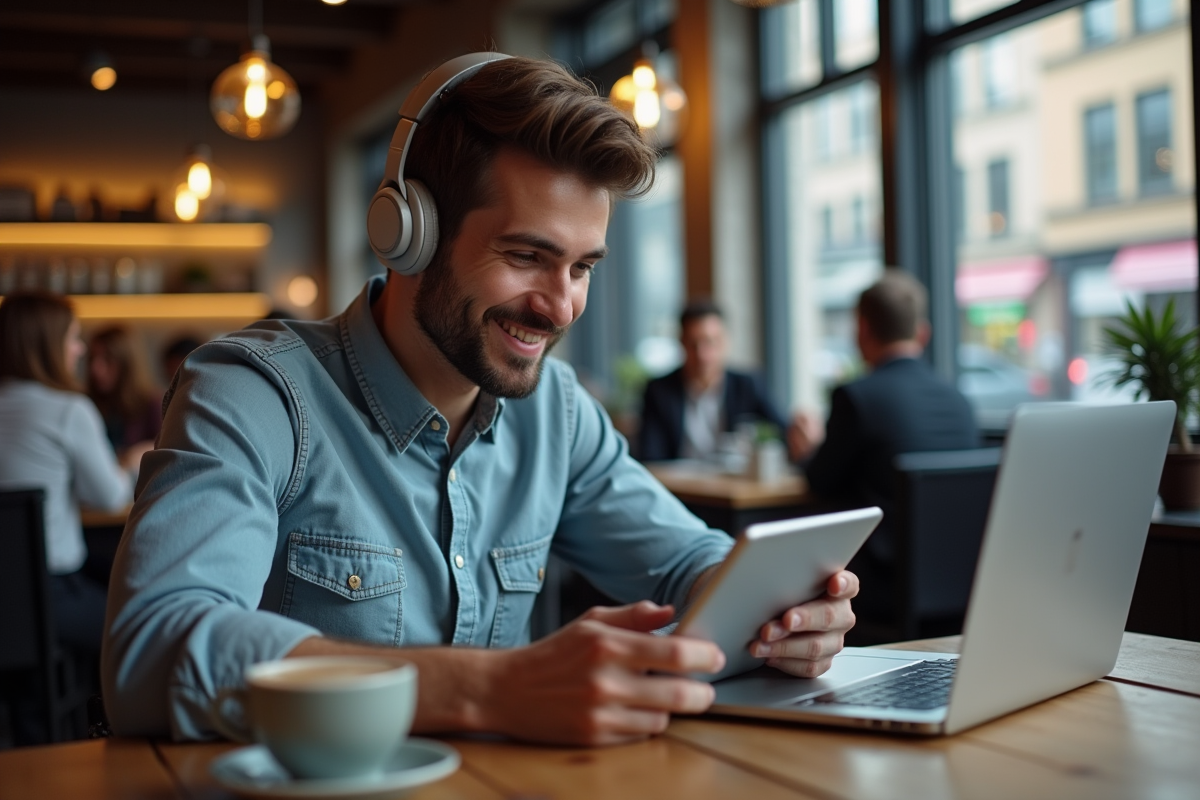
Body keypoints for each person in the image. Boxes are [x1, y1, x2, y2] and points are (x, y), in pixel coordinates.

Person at [102, 54, 859, 747]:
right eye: (527, 256)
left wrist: (784, 615)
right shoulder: (255, 392)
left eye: (583, 267)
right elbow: (154, 649)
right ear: (409, 234)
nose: (560, 308)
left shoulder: (556, 411)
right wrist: (491, 689)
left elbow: (687, 562)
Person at [791, 270, 979, 619]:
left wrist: (809, 449)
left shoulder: (857, 398)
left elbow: (819, 481)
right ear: (923, 333)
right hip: (961, 584)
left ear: (861, 330)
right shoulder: (960, 403)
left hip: (881, 588)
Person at [0, 293, 133, 655]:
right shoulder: (69, 410)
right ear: (47, 345)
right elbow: (111, 497)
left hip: (11, 604)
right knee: (139, 622)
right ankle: (91, 711)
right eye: (73, 338)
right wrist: (130, 463)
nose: (79, 351)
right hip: (49, 596)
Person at [638, 301, 801, 462]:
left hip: (734, 486)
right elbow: (651, 457)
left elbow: (785, 434)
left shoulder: (747, 385)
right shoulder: (659, 391)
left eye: (710, 342)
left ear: (725, 342)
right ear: (681, 343)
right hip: (678, 487)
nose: (702, 354)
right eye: (693, 344)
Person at [86, 325, 162, 466]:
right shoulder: (85, 404)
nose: (95, 369)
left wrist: (140, 452)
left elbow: (168, 450)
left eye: (107, 360)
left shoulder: (153, 404)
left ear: (128, 364)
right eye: (92, 359)